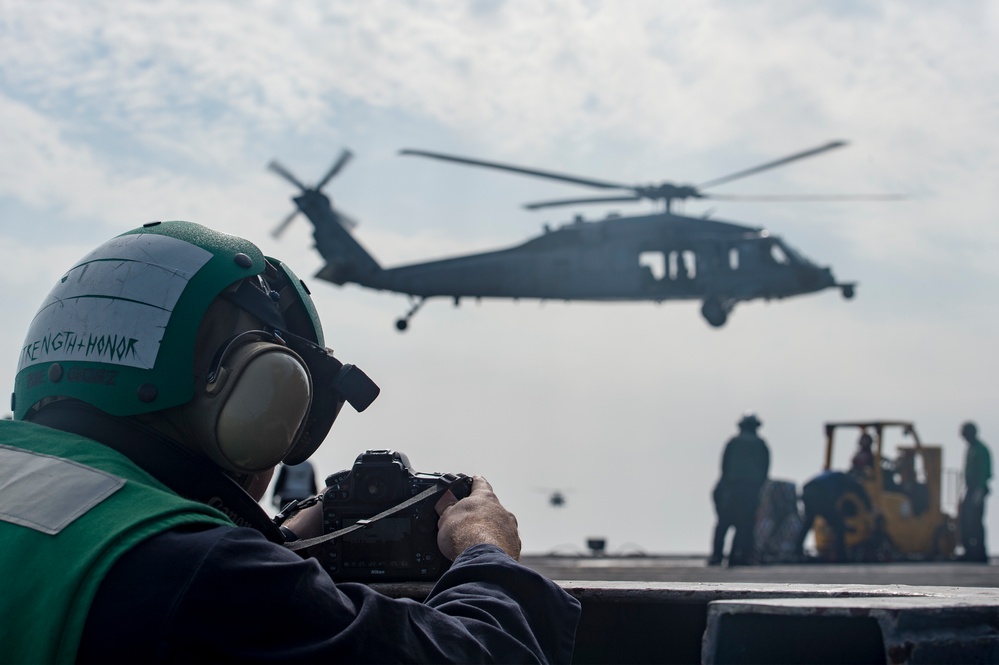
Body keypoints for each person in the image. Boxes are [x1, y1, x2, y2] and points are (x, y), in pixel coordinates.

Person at [0, 221, 579, 663]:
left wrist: (277, 539)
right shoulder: (201, 575)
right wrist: (486, 549)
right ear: (262, 397)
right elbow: (478, 654)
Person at [709, 412, 770, 566]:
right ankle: (739, 557)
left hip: (731, 489)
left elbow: (724, 467)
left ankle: (717, 556)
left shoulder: (733, 442)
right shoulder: (761, 444)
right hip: (751, 490)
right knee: (746, 525)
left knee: (724, 523)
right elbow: (765, 470)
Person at [795, 470, 871, 562]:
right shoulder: (843, 479)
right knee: (839, 526)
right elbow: (859, 489)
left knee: (808, 522)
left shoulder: (834, 477)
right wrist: (869, 507)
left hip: (807, 491)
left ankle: (797, 551)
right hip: (818, 493)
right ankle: (841, 555)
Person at [959, 421, 992, 562]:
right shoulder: (971, 448)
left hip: (977, 489)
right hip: (970, 488)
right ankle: (969, 552)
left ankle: (979, 553)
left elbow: (985, 472)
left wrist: (979, 490)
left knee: (976, 521)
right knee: (965, 520)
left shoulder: (981, 449)